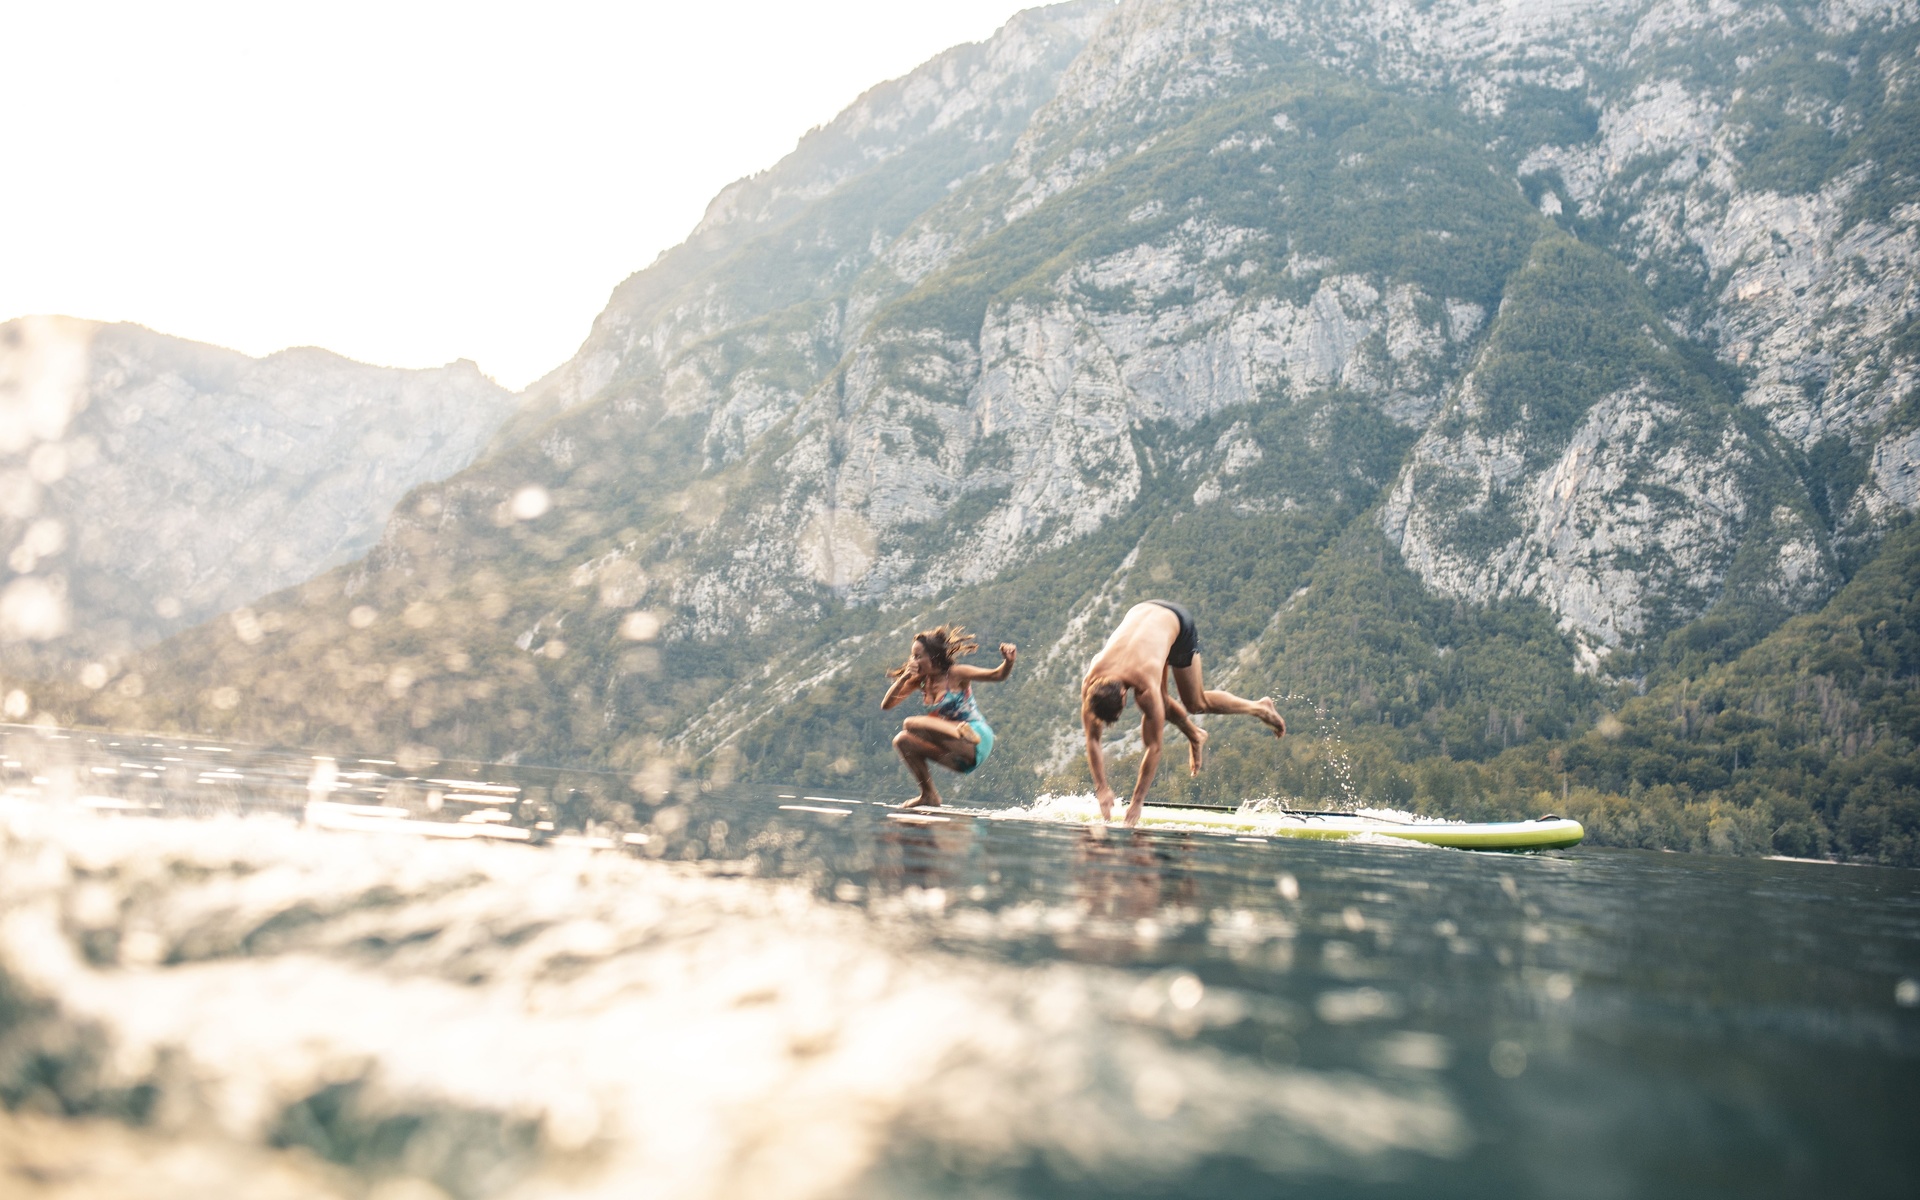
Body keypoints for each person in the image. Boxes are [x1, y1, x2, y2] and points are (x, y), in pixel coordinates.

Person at [1081, 600, 1285, 826]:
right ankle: (1196, 735)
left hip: (1176, 623)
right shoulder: (1091, 681)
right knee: (1162, 705)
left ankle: (1259, 707)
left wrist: (1137, 802)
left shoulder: (1145, 686)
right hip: (1144, 613)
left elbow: (1154, 747)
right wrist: (1101, 788)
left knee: (1196, 703)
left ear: (1122, 694)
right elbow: (1092, 738)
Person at [882, 625, 1016, 808]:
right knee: (902, 740)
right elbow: (887, 705)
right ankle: (929, 795)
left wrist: (1008, 662)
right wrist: (905, 677)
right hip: (960, 756)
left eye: (918, 656)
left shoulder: (955, 674)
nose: (913, 661)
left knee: (910, 723)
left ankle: (962, 732)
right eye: (912, 656)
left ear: (934, 657)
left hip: (977, 738)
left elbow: (996, 675)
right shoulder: (920, 681)